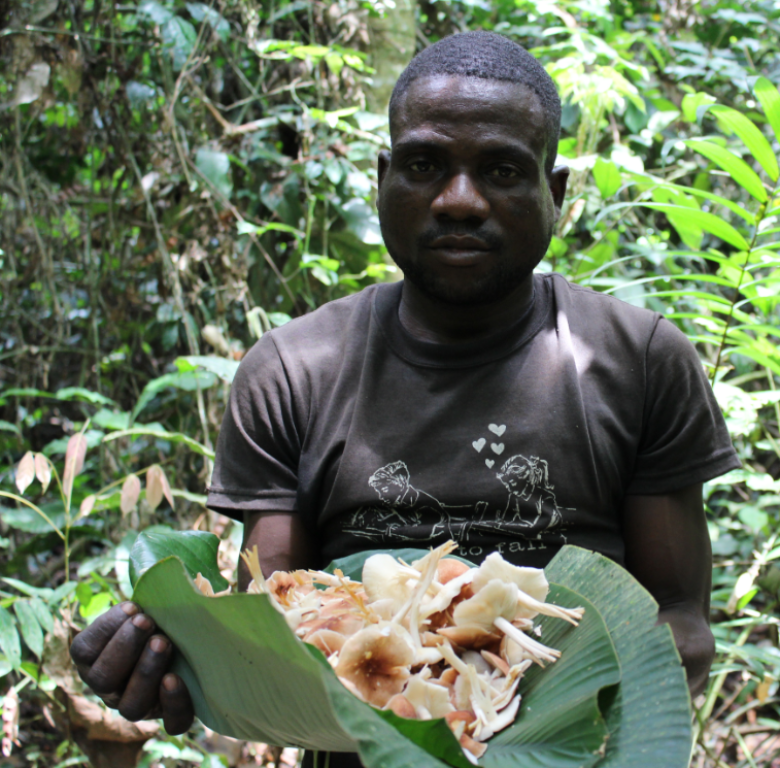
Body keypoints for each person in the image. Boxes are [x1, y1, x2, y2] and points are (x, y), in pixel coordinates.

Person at [70, 30, 740, 762]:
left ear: (555, 194)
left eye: (502, 170)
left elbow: (678, 619)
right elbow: (277, 623)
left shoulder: (638, 360)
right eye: (424, 165)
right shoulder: (295, 371)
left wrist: (529, 722)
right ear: (383, 177)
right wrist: (172, 657)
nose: (458, 200)